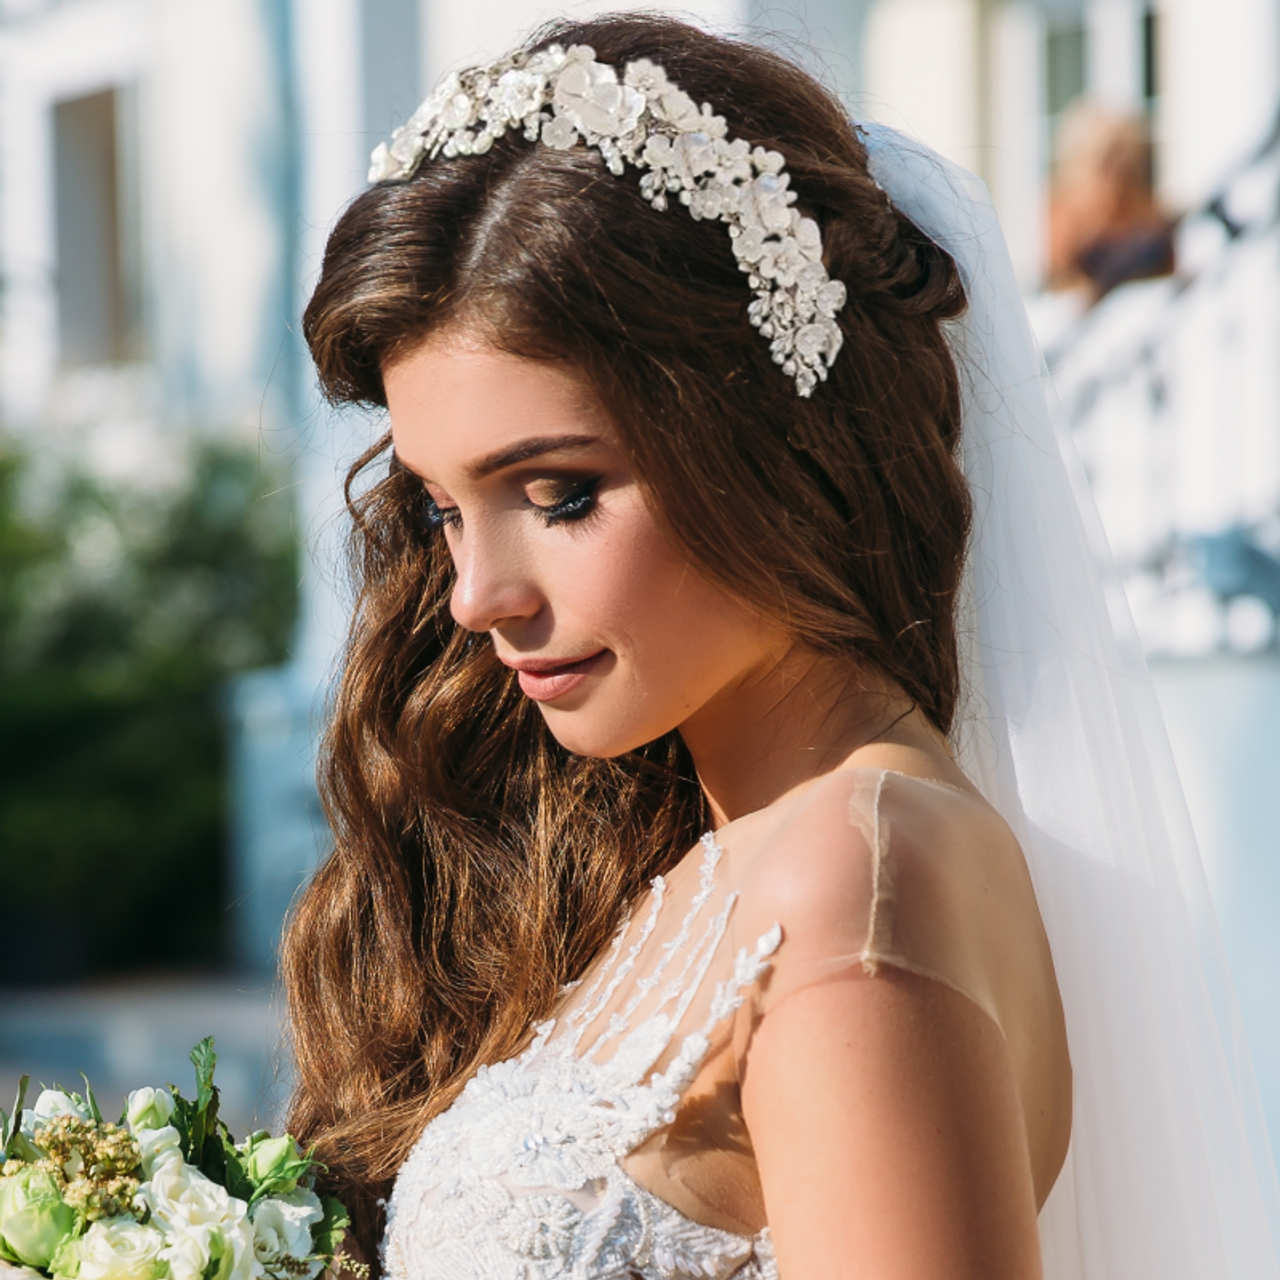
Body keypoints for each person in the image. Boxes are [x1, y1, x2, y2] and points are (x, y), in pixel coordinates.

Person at [281, 14, 1280, 1280]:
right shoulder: (709, 854)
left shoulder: (857, 892)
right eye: (440, 506)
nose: (474, 593)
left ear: (772, 433)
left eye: (559, 493)